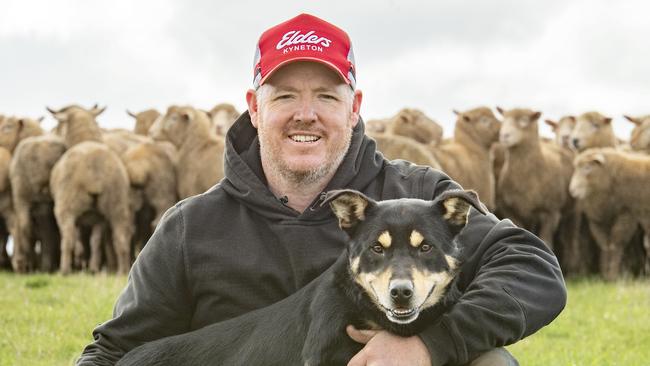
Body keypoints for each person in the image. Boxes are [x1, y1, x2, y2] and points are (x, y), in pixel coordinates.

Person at [77, 13, 566, 366]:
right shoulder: (191, 226)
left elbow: (532, 268)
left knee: (492, 364)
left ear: (354, 108)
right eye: (285, 95)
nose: (305, 113)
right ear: (254, 105)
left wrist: (428, 345)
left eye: (327, 97)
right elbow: (115, 351)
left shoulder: (415, 195)